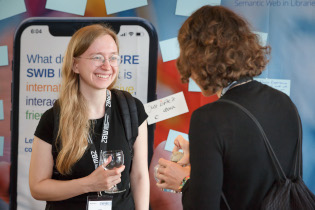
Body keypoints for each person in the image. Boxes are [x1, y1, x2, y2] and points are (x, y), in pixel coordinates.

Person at [155, 5, 300, 209]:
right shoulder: (284, 103)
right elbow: (253, 168)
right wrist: (203, 152)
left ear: (198, 58)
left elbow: (203, 205)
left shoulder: (208, 118)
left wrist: (182, 182)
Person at [29, 24, 149, 210]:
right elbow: (37, 188)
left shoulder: (132, 109)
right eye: (97, 57)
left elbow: (140, 176)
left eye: (113, 58)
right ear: (75, 64)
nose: (107, 65)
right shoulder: (52, 119)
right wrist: (89, 184)